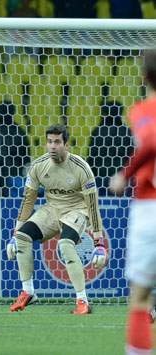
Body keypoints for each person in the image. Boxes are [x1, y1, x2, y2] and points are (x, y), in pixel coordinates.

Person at [6, 124, 107, 315]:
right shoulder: (38, 166)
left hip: (76, 209)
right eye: (50, 142)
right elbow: (28, 200)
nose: (53, 146)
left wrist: (98, 243)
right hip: (51, 209)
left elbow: (92, 206)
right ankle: (28, 292)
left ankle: (82, 301)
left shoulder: (81, 168)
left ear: (66, 145)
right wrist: (14, 233)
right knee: (22, 237)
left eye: (57, 142)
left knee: (65, 244)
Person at [108, 49, 156, 355]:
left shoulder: (141, 111)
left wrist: (125, 174)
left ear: (144, 76)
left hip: (150, 207)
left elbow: (151, 139)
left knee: (139, 299)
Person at [87, 100, 134, 195]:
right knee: (122, 206)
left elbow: (91, 157)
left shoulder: (98, 132)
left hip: (101, 178)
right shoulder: (127, 132)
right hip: (122, 179)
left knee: (103, 206)